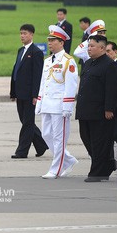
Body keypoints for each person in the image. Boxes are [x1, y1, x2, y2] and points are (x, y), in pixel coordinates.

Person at [35, 25, 79, 179]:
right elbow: (43, 83)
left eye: (53, 40)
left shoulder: (68, 61)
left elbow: (71, 86)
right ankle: (68, 160)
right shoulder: (48, 61)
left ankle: (56, 169)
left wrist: (67, 107)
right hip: (47, 103)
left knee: (59, 139)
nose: (49, 43)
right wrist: (39, 102)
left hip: (60, 106)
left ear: (61, 42)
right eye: (49, 40)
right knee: (46, 135)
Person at [76, 35, 117, 182]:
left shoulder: (109, 65)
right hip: (85, 110)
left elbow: (111, 89)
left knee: (98, 143)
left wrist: (109, 109)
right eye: (88, 46)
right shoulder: (88, 64)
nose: (89, 48)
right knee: (86, 138)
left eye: (92, 46)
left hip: (100, 112)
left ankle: (96, 173)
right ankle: (107, 164)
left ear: (102, 48)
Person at [10, 24, 48, 159]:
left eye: (25, 33)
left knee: (27, 123)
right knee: (26, 121)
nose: (22, 36)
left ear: (32, 35)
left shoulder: (36, 52)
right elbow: (16, 71)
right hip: (20, 93)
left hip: (29, 94)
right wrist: (13, 92)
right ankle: (41, 145)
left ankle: (22, 151)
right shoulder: (20, 50)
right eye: (21, 33)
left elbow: (37, 76)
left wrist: (35, 95)